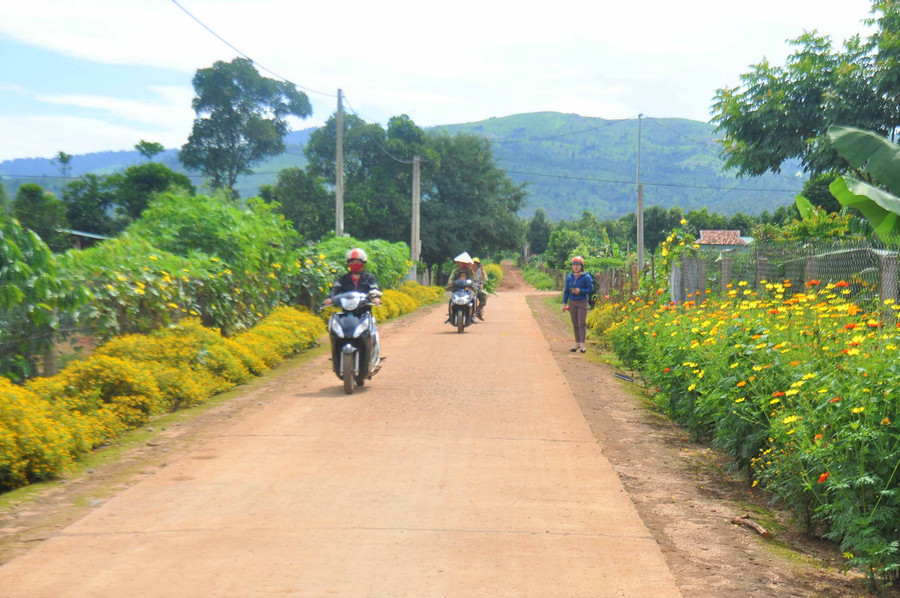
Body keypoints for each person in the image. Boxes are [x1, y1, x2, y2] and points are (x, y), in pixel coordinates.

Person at [561, 255, 593, 353]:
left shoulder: (586, 277)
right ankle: (577, 343)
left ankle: (583, 344)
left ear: (581, 266)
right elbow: (566, 291)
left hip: (582, 301)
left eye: (578, 265)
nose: (576, 267)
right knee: (575, 323)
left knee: (581, 323)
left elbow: (590, 289)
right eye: (574, 265)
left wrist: (580, 291)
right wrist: (564, 303)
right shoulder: (570, 277)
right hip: (572, 302)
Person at [446, 251, 477, 323]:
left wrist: (473, 284)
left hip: (467, 288)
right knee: (451, 300)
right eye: (458, 262)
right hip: (457, 288)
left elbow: (473, 279)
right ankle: (451, 316)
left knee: (473, 299)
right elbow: (451, 278)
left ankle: (472, 316)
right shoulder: (455, 271)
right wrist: (450, 283)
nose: (458, 263)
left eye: (460, 262)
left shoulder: (470, 271)